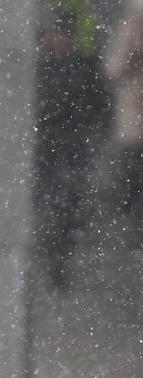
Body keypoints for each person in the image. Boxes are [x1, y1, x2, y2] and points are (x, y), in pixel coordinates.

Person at [36, 2, 110, 288]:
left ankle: (58, 259)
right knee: (56, 205)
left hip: (71, 148)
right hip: (53, 148)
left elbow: (101, 107)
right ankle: (53, 258)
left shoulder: (83, 68)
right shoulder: (45, 68)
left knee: (67, 207)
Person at [107, 0, 143, 238]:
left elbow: (116, 66)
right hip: (136, 113)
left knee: (132, 179)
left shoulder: (135, 14)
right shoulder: (136, 15)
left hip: (136, 117)